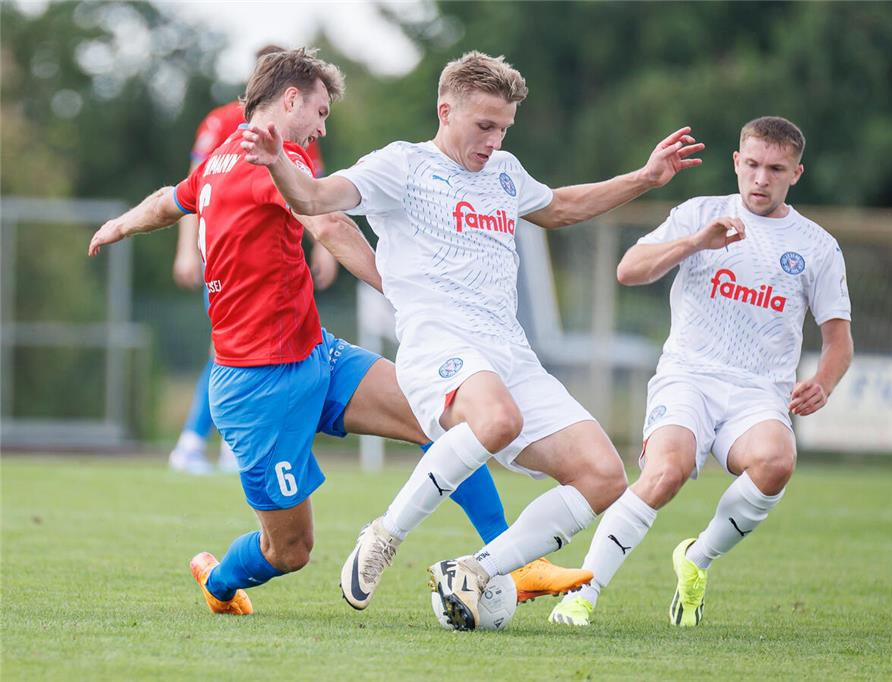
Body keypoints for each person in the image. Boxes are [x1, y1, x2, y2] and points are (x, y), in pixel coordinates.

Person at [88, 48, 584, 616]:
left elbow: (167, 201)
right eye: (320, 112)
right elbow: (327, 222)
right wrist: (401, 291)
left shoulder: (226, 159)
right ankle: (220, 582)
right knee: (289, 550)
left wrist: (120, 224)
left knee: (441, 415)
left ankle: (515, 560)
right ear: (290, 99)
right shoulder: (266, 163)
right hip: (256, 387)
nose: (323, 126)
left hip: (318, 356)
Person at [242, 50, 705, 629]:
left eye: (503, 128)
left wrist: (644, 177)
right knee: (497, 419)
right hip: (438, 346)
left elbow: (559, 207)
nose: (493, 140)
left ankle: (478, 569)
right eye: (484, 126)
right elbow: (314, 199)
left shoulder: (506, 172)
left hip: (509, 353)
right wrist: (278, 163)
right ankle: (386, 534)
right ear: (445, 111)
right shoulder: (401, 166)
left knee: (604, 476)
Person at [548, 116, 854, 628]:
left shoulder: (816, 245)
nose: (760, 178)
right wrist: (695, 244)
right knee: (665, 472)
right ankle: (582, 593)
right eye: (752, 165)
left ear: (796, 174)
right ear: (736, 162)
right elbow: (629, 270)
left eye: (775, 169)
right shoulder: (700, 214)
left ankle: (697, 558)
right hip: (688, 376)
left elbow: (838, 340)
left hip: (759, 391)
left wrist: (823, 383)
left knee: (777, 462)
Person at [168, 44, 338, 475]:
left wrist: (323, 248)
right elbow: (193, 190)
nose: (319, 126)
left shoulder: (297, 133)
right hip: (231, 262)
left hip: (275, 264)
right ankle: (200, 441)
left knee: (246, 349)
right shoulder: (224, 121)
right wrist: (187, 249)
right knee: (228, 349)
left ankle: (212, 442)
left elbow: (311, 194)